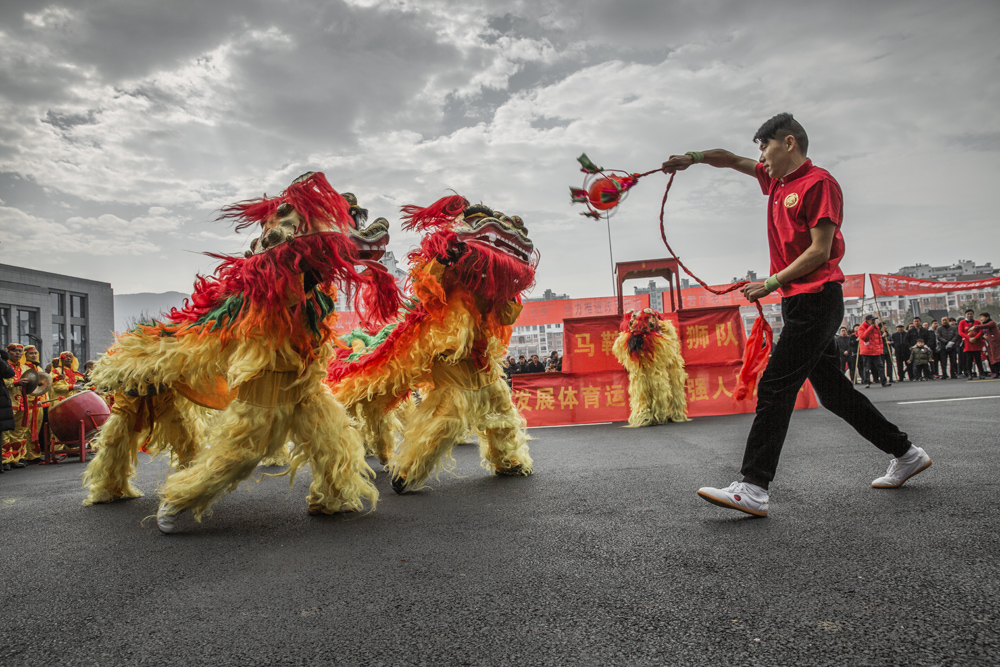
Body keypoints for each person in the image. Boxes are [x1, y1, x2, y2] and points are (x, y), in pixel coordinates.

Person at [662, 112, 929, 517]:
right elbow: (732, 159)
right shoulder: (776, 182)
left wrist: (770, 283)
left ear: (788, 142)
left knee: (774, 386)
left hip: (818, 298)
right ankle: (906, 453)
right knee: (834, 394)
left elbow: (820, 251)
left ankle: (753, 487)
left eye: (765, 147)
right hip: (800, 301)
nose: (761, 157)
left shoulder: (818, 183)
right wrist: (694, 157)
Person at [1, 345, 21, 473]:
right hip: (8, 403)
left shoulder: (23, 367)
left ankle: (16, 458)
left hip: (20, 403)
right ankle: (5, 460)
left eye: (20, 351)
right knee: (5, 434)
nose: (18, 353)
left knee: (19, 433)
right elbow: (9, 375)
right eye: (14, 351)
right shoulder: (4, 363)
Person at [857, 315, 889, 388]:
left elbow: (879, 339)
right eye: (872, 320)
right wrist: (870, 328)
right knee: (867, 367)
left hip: (875, 351)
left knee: (880, 366)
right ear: (867, 320)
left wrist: (880, 349)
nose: (873, 321)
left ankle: (883, 381)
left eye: (874, 319)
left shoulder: (876, 327)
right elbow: (863, 337)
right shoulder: (861, 327)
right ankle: (867, 382)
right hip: (866, 351)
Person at [969, 313, 1000, 379]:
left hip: (995, 343)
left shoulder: (992, 323)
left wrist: (975, 327)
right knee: (993, 358)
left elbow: (985, 326)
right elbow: (983, 332)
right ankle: (996, 372)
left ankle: (997, 372)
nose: (981, 319)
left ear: (987, 317)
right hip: (989, 344)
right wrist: (983, 336)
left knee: (997, 357)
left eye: (982, 317)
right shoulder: (984, 326)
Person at [957, 309, 985, 379]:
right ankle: (969, 373)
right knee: (969, 360)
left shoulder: (977, 322)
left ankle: (981, 373)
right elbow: (960, 332)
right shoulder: (962, 322)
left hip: (976, 343)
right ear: (965, 315)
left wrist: (975, 337)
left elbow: (980, 331)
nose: (969, 315)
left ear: (973, 314)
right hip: (967, 343)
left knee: (978, 359)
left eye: (971, 314)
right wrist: (969, 338)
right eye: (968, 314)